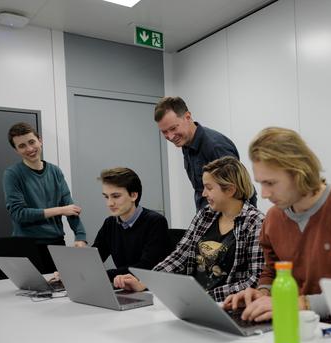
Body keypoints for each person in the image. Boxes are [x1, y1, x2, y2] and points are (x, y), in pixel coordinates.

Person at [223, 127, 331, 321]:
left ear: (299, 173)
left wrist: (296, 304)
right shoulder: (273, 218)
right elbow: (272, 271)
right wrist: (262, 294)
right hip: (290, 325)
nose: (263, 194)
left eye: (271, 183)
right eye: (261, 183)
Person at [113, 156, 264, 303]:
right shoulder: (205, 215)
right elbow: (179, 256)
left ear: (230, 190)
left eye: (209, 188)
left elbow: (254, 280)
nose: (204, 194)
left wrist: (206, 296)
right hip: (192, 301)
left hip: (225, 304)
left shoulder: (255, 222)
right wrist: (146, 281)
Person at [3, 122, 86, 271]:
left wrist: (80, 237)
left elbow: (70, 208)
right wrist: (60, 210)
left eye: (31, 142)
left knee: (62, 291)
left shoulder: (55, 172)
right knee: (30, 293)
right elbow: (19, 214)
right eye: (22, 146)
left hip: (56, 244)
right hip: (26, 247)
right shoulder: (12, 175)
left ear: (40, 140)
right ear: (16, 150)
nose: (29, 149)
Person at [154, 96, 257, 211]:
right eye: (164, 132)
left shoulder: (215, 147)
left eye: (173, 128)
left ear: (187, 117)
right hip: (207, 216)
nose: (170, 136)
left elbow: (241, 192)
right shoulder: (186, 143)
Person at [92, 167, 171, 284]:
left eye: (116, 196)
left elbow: (146, 267)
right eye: (106, 197)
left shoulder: (156, 222)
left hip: (150, 289)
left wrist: (102, 275)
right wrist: (73, 270)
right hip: (124, 287)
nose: (109, 203)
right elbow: (95, 257)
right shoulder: (110, 223)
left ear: (133, 195)